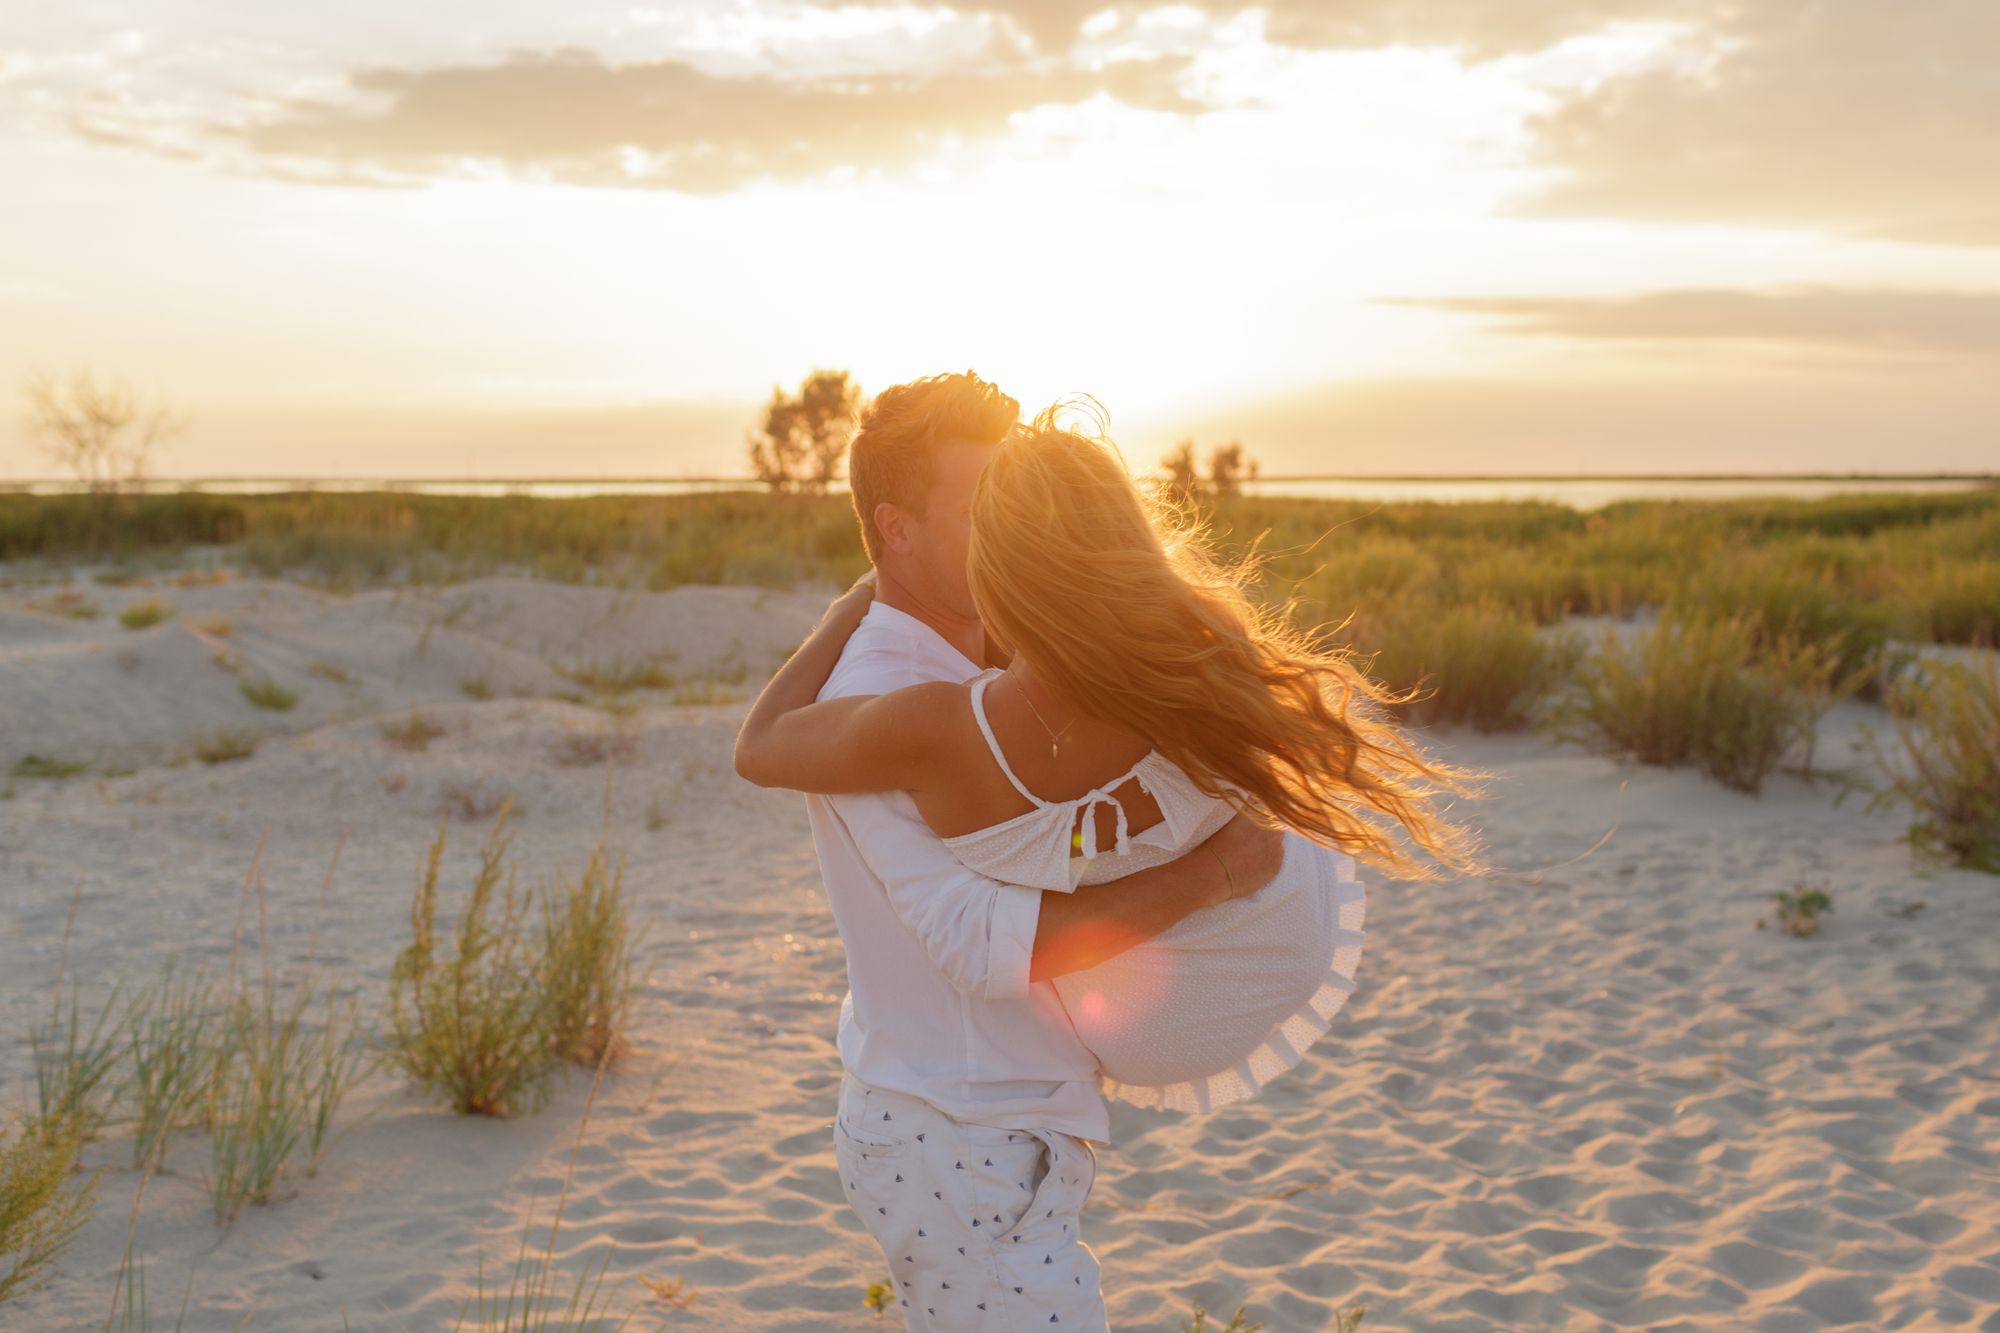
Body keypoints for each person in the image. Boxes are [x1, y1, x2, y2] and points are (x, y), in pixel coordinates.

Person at [736, 379, 1490, 1329]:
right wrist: (1207, 877)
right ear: (896, 528)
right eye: (979, 510)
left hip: (995, 1127)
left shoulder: (995, 661)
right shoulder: (889, 696)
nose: (1002, 535)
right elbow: (975, 938)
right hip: (957, 1132)